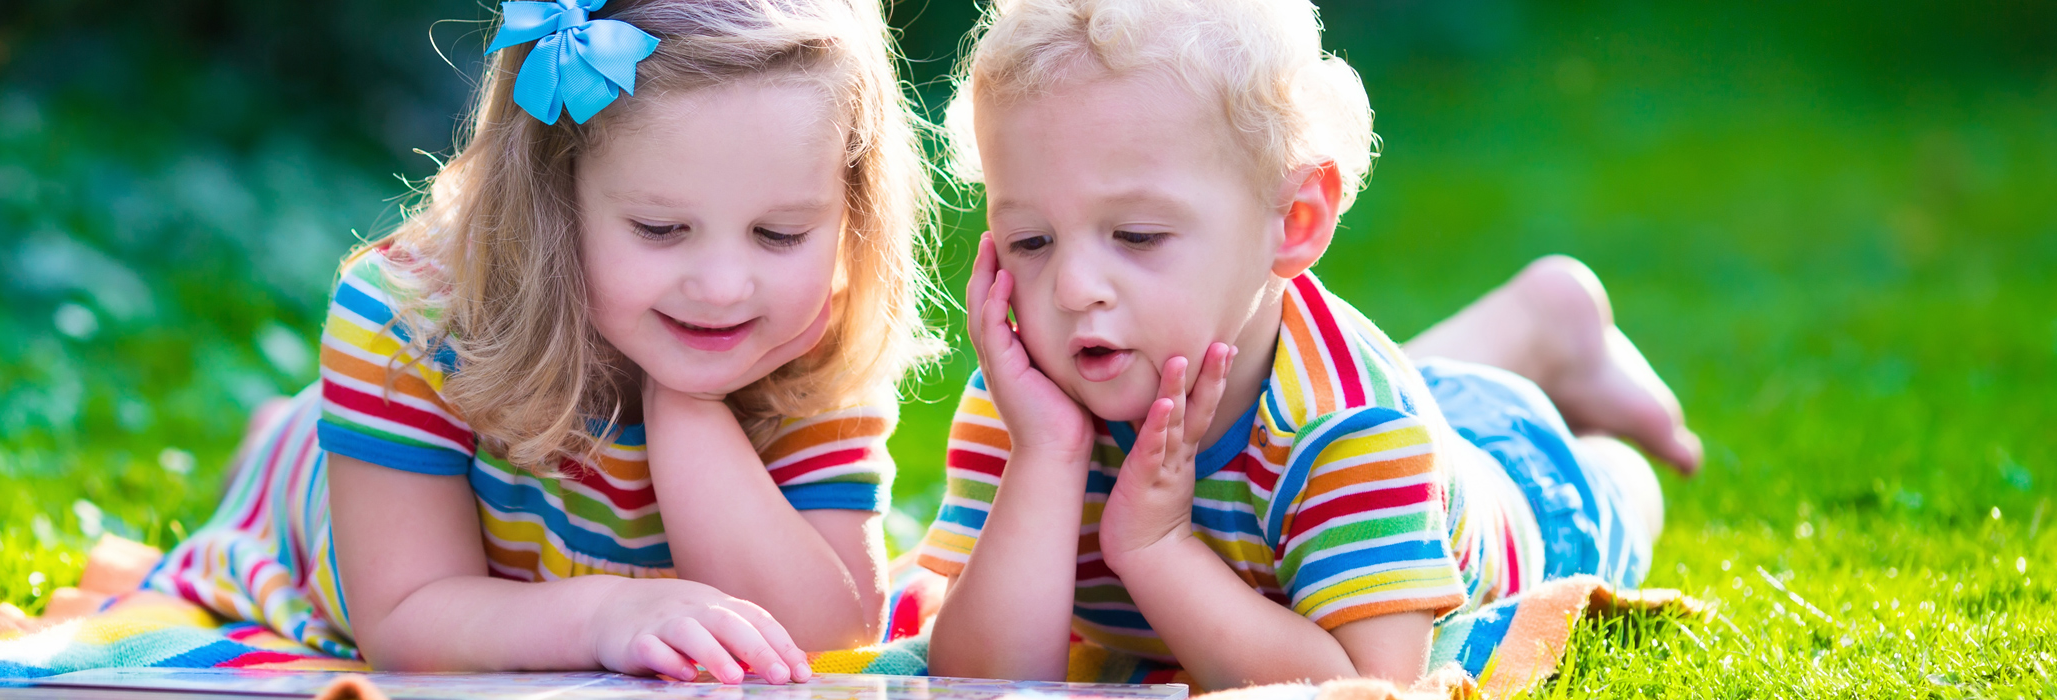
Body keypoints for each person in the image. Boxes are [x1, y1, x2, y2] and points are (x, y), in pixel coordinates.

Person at [126, 0, 940, 683]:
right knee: (295, 466)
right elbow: (405, 618)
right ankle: (278, 441)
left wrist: (688, 404)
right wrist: (608, 616)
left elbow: (832, 633)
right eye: (661, 229)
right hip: (324, 515)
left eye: (779, 232)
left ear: (849, 210)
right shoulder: (411, 320)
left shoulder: (806, 335)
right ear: (554, 195)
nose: (724, 286)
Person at [915, 0, 1701, 689]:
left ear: (1294, 223)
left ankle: (1574, 378)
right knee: (1435, 393)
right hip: (1405, 417)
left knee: (1614, 487)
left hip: (1524, 486)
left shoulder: (1350, 430)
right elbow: (977, 682)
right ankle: (1537, 319)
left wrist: (1157, 549)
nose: (1072, 286)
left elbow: (1372, 684)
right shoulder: (1033, 396)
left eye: (1136, 234)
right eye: (1030, 239)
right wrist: (1047, 457)